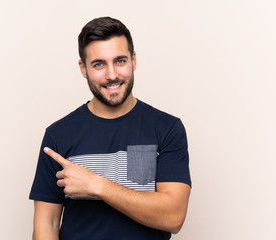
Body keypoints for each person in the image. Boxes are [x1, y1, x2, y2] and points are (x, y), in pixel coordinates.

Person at [29, 16, 191, 240]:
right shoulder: (58, 135)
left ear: (133, 60)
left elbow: (173, 217)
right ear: (83, 68)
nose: (112, 75)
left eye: (120, 61)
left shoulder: (166, 128)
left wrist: (97, 185)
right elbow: (47, 222)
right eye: (99, 64)